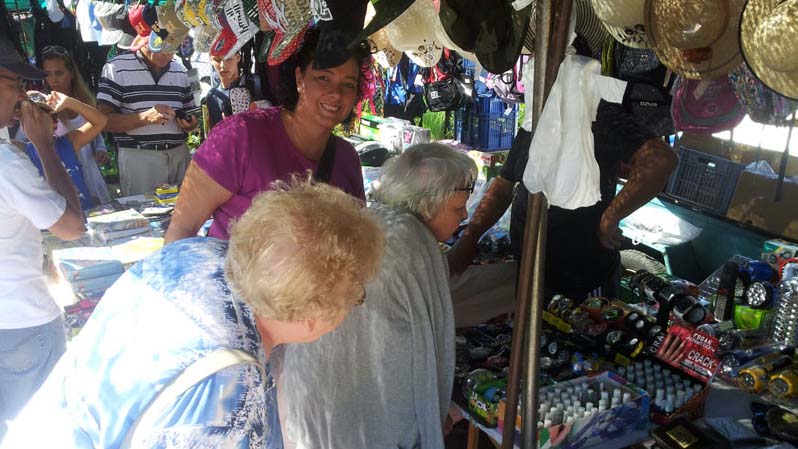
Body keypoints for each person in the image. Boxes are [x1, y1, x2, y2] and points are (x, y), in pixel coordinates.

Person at [2, 179, 385, 449]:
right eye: (355, 296)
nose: (354, 305)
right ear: (312, 315)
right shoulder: (228, 388)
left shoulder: (199, 255)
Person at [278, 144, 477, 449]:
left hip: (314, 398)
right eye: (457, 207)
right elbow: (428, 344)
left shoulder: (372, 218)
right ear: (429, 204)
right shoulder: (415, 244)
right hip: (373, 409)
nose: (464, 216)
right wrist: (432, 415)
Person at [447, 101, 678, 300]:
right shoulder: (538, 117)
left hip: (582, 279)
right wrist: (470, 237)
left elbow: (660, 160)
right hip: (531, 271)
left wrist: (611, 216)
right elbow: (504, 185)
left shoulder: (601, 116)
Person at [164, 27, 368, 242]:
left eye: (348, 84)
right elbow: (180, 231)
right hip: (232, 274)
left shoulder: (347, 159)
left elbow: (355, 244)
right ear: (300, 79)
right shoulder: (240, 137)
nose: (336, 93)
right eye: (323, 78)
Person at [0, 38, 85, 442]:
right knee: (43, 435)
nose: (20, 94)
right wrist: (45, 147)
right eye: (14, 82)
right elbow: (71, 227)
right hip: (22, 320)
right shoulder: (6, 163)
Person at [96, 42, 197, 196]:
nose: (167, 55)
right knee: (144, 217)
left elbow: (191, 112)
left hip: (179, 156)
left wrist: (190, 123)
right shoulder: (116, 67)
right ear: (144, 41)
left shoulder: (180, 71)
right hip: (139, 159)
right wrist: (145, 118)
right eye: (160, 49)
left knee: (183, 215)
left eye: (171, 49)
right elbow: (103, 121)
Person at [40, 45, 111, 205]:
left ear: (71, 73)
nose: (53, 80)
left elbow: (98, 130)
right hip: (67, 177)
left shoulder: (84, 101)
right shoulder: (44, 106)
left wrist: (101, 150)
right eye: (47, 74)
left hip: (91, 172)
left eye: (59, 73)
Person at [21, 90, 108, 210]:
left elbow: (100, 121)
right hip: (53, 223)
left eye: (43, 113)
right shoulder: (21, 151)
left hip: (84, 214)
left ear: (55, 121)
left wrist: (69, 102)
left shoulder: (69, 143)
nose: (37, 119)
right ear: (22, 124)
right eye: (30, 116)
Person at [204, 50, 269, 130]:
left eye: (228, 59)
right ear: (211, 60)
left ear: (238, 57)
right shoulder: (212, 96)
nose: (222, 66)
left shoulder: (255, 84)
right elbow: (215, 135)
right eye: (217, 60)